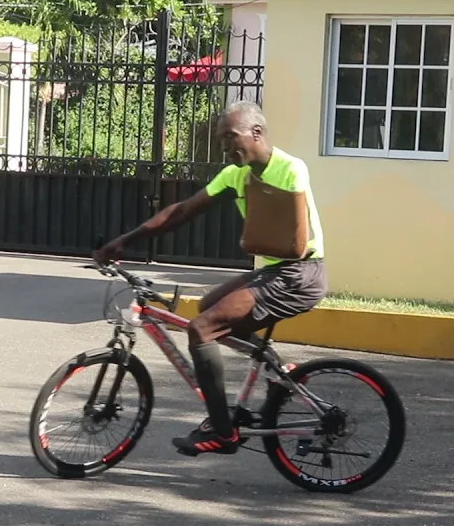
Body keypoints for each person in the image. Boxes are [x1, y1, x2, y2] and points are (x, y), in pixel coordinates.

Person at [92, 100, 327, 457]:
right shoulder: (236, 176)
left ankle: (222, 432)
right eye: (220, 141)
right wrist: (125, 241)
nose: (225, 147)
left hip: (300, 274)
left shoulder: (290, 169)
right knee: (207, 306)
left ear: (256, 133)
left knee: (201, 328)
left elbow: (295, 244)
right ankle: (278, 369)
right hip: (276, 271)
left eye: (231, 137)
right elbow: (182, 211)